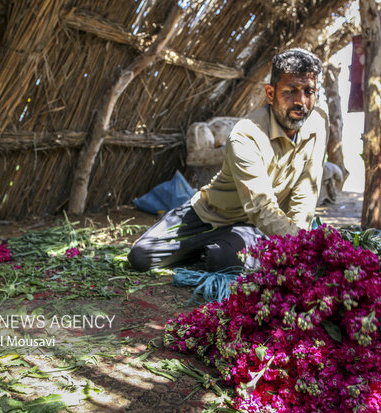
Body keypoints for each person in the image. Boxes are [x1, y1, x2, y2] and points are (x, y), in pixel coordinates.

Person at [128, 48, 328, 272]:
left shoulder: (317, 122)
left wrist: (300, 241)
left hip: (260, 224)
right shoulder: (247, 134)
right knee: (141, 257)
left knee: (220, 259)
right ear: (270, 94)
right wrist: (300, 247)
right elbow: (260, 206)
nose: (301, 102)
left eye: (309, 91)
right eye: (291, 91)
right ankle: (227, 240)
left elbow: (306, 191)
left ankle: (236, 241)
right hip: (212, 213)